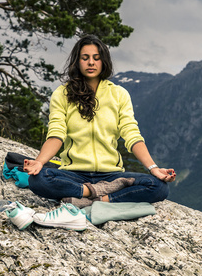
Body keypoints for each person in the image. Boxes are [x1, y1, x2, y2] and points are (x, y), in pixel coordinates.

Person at [24, 35, 175, 212]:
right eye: (85, 58)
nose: (91, 63)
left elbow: (132, 135)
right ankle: (103, 196)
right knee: (39, 179)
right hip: (74, 174)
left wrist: (154, 168)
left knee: (159, 187)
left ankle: (86, 198)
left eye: (96, 58)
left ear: (104, 62)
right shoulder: (62, 94)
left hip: (112, 175)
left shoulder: (119, 94)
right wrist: (39, 162)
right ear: (77, 61)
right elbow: (56, 134)